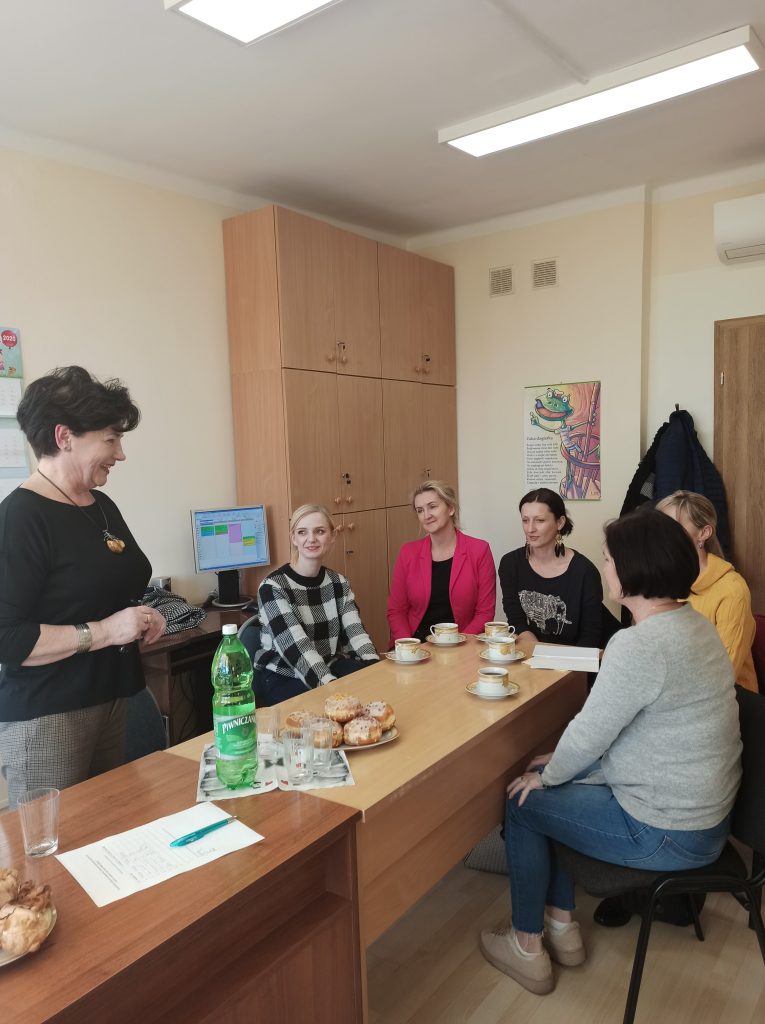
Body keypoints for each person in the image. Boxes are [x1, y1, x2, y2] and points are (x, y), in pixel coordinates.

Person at [480, 508, 741, 995]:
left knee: (524, 800)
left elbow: (588, 734)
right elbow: (644, 735)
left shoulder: (638, 645)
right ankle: (561, 927)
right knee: (555, 779)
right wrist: (563, 768)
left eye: (608, 559)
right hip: (704, 820)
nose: (604, 568)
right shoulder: (694, 626)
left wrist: (551, 775)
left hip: (666, 832)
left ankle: (527, 945)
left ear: (633, 570)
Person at [0, 366, 165, 808]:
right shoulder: (21, 517)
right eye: (111, 439)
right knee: (56, 844)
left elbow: (108, 588)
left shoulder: (100, 503)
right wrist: (107, 631)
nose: (120, 454)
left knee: (111, 831)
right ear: (65, 436)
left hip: (114, 697)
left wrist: (145, 615)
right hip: (49, 717)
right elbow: (7, 637)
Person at [253, 504, 379, 706]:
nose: (311, 539)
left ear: (332, 536)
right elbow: (298, 650)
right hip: (284, 674)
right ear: (294, 538)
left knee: (373, 689)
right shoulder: (272, 587)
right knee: (330, 710)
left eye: (319, 531)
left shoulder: (339, 583)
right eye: (302, 532)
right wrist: (331, 688)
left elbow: (356, 633)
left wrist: (375, 669)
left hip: (329, 665)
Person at [657, 490, 757, 691]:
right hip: (675, 692)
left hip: (728, 698)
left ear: (704, 533)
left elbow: (722, 673)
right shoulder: (663, 582)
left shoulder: (732, 590)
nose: (662, 536)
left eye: (673, 527)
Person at [387, 481, 496, 642]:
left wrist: (459, 644)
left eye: (432, 507)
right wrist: (409, 646)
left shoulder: (479, 550)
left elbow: (485, 613)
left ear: (451, 508)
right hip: (416, 644)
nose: (426, 516)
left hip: (462, 643)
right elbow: (396, 611)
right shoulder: (407, 552)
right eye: (420, 510)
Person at [498, 488, 602, 648]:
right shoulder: (510, 564)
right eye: (525, 520)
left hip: (576, 656)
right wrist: (539, 654)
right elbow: (516, 620)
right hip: (532, 653)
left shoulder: (585, 571)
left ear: (560, 522)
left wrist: (556, 659)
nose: (530, 529)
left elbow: (591, 635)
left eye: (539, 520)